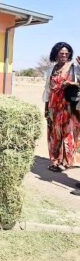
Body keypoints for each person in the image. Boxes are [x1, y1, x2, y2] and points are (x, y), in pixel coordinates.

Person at [44, 42, 80, 172]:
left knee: (68, 134)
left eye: (66, 53)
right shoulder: (51, 69)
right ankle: (56, 160)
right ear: (56, 54)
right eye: (61, 53)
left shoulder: (74, 68)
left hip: (69, 106)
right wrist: (46, 108)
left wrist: (71, 83)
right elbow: (47, 90)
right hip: (54, 106)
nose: (64, 55)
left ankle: (66, 162)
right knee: (54, 134)